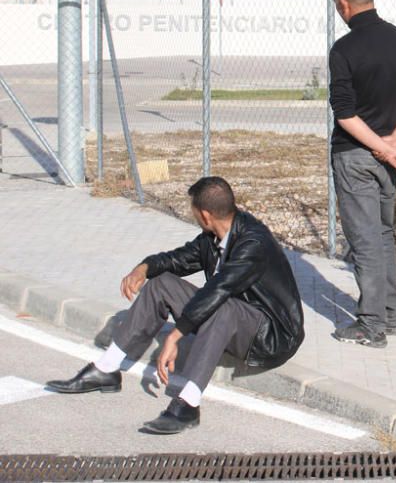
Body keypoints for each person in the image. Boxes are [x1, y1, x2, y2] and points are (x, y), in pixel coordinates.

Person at [46, 177, 305, 435]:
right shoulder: (215, 235)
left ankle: (188, 403)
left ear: (205, 215)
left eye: (193, 212)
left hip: (271, 335)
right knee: (162, 283)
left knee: (224, 307)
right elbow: (181, 259)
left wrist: (176, 334)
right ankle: (107, 369)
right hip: (234, 316)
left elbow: (220, 289)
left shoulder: (253, 244)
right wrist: (145, 268)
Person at [328, 0, 396, 349]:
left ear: (343, 4)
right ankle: (390, 315)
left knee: (365, 239)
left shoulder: (344, 49)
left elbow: (345, 114)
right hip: (390, 157)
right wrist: (392, 143)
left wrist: (383, 147)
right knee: (384, 234)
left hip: (357, 156)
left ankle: (371, 324)